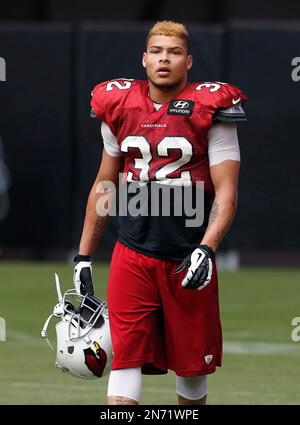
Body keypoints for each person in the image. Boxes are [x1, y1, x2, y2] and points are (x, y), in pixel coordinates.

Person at [73, 20, 247, 405]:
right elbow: (105, 184)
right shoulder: (119, 105)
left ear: (189, 61)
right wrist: (84, 256)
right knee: (124, 361)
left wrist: (207, 248)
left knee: (191, 373)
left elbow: (227, 192)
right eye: (156, 51)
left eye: (173, 52)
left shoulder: (211, 108)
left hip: (187, 257)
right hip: (132, 252)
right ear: (144, 59)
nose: (164, 59)